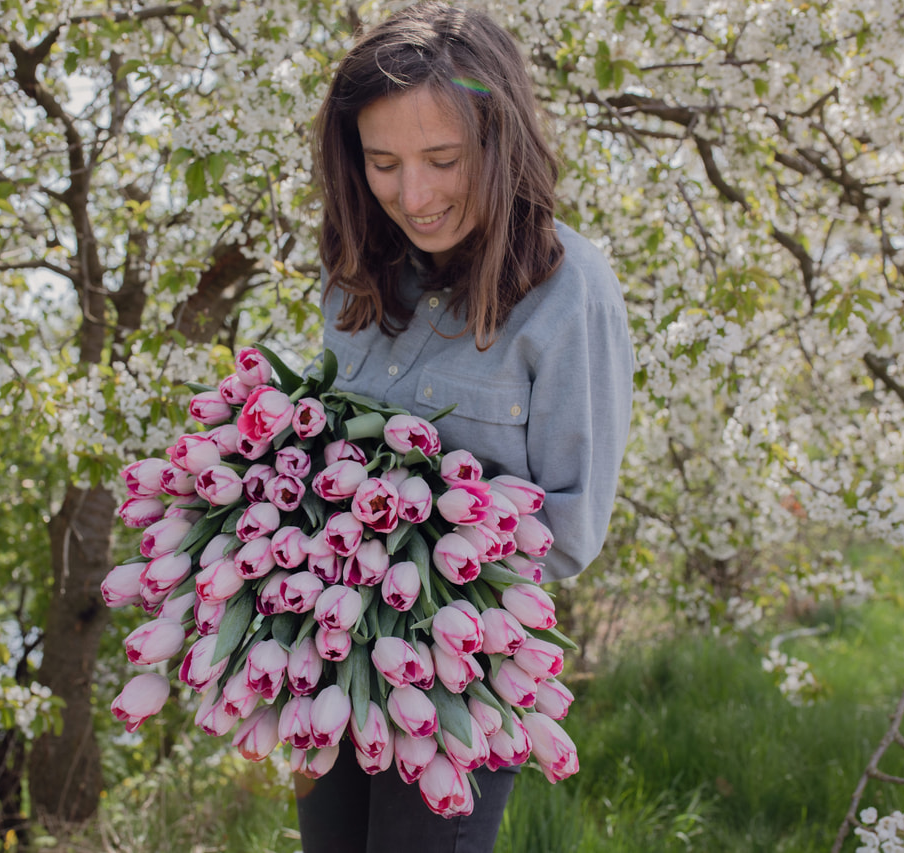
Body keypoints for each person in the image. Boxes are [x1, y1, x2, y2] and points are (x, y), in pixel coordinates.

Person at [298, 2, 634, 851]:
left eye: (442, 159)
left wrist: (410, 543)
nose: (413, 195)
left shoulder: (569, 293)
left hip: (456, 680)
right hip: (325, 657)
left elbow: (568, 530)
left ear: (500, 142)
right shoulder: (354, 277)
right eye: (382, 163)